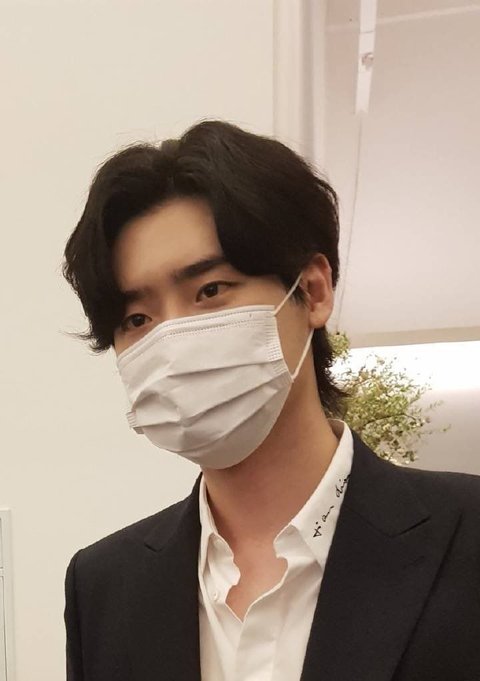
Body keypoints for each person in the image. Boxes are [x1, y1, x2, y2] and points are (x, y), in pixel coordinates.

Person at [62, 120, 480, 681]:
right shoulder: (103, 587)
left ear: (313, 291)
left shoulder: (466, 539)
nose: (171, 339)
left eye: (210, 291)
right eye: (137, 319)